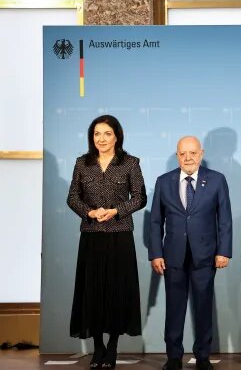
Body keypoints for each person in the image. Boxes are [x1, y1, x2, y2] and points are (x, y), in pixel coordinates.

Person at [66, 115, 147, 369]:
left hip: (119, 235)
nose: (101, 139)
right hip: (91, 237)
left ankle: (112, 347)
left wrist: (116, 211)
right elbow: (72, 197)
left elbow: (140, 198)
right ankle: (97, 347)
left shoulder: (130, 163)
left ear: (117, 136)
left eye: (107, 134)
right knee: (93, 293)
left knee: (116, 292)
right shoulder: (82, 163)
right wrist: (89, 212)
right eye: (97, 134)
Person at [149, 136, 233, 370]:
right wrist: (156, 253)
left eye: (193, 153)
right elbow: (156, 221)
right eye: (183, 153)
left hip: (205, 256)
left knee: (203, 307)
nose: (188, 158)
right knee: (174, 308)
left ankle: (203, 356)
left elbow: (224, 219)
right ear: (177, 155)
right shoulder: (164, 182)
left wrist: (223, 251)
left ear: (201, 153)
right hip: (172, 256)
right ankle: (174, 357)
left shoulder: (216, 180)